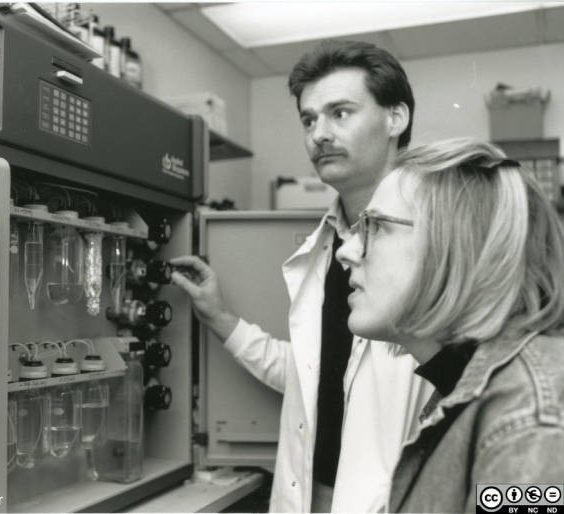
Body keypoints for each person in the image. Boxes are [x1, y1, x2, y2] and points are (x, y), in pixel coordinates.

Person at [171, 40, 434, 512]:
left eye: (340, 113)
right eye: (309, 119)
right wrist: (220, 317)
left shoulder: (443, 241)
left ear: (396, 118)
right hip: (312, 496)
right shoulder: (327, 246)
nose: (319, 134)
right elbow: (311, 374)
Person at [336, 137, 564, 512]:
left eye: (374, 226)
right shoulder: (464, 386)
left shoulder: (529, 419)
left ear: (455, 242)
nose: (346, 252)